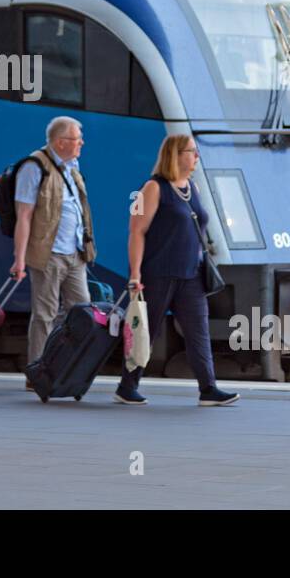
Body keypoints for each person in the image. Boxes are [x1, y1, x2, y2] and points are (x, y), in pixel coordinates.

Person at [116, 134, 238, 407]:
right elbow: (136, 231)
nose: (196, 156)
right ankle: (127, 386)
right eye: (192, 151)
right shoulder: (152, 187)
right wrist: (134, 274)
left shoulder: (192, 187)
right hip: (158, 274)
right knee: (146, 331)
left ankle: (208, 388)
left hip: (191, 275)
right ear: (176, 154)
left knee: (198, 331)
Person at [10, 116, 96, 365]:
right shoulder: (34, 167)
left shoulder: (72, 167)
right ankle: (36, 369)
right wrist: (20, 259)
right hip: (48, 256)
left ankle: (63, 365)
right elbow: (24, 216)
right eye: (77, 139)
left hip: (76, 255)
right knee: (44, 315)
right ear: (60, 142)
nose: (82, 143)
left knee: (81, 311)